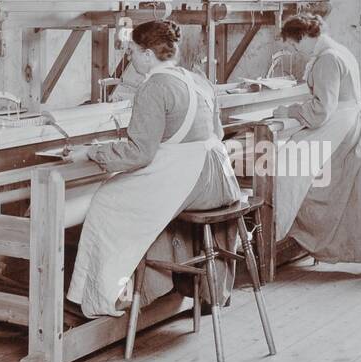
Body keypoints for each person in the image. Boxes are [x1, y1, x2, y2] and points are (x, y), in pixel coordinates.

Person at [63, 20, 242, 319]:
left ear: (148, 54)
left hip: (192, 182)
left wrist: (90, 152)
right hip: (219, 179)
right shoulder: (198, 80)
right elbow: (217, 133)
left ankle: (103, 297)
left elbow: (140, 153)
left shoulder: (154, 86)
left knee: (107, 203)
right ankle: (147, 287)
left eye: (132, 51)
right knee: (129, 197)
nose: (130, 58)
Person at [269, 15, 361, 265]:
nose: (296, 52)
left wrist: (289, 111)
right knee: (293, 154)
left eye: (295, 46)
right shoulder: (339, 50)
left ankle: (279, 237)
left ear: (306, 38)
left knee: (287, 164)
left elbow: (321, 111)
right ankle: (283, 234)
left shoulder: (328, 59)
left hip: (341, 125)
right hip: (352, 122)